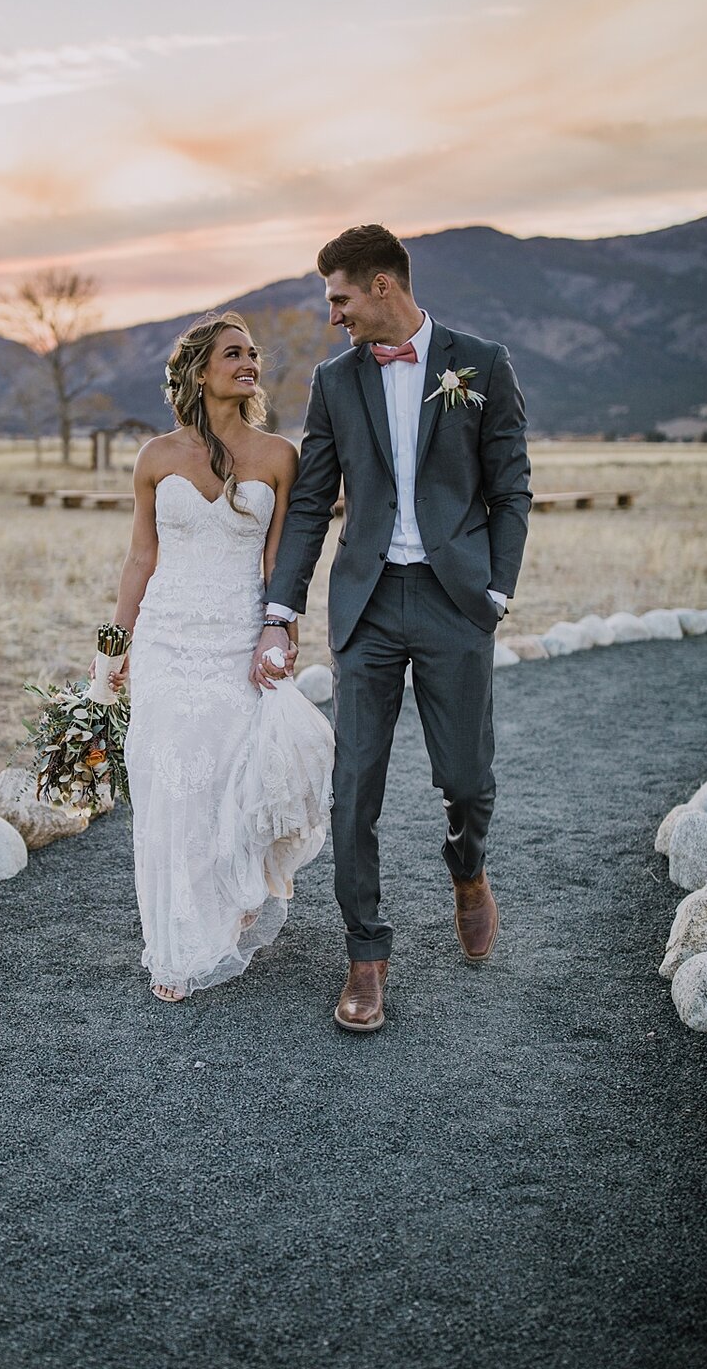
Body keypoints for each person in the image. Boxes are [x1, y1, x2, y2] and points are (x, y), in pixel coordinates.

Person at [251, 224, 532, 1034]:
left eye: (339, 297)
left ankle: (468, 869)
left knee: (468, 776)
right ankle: (365, 957)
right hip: (367, 604)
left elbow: (511, 488)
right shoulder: (335, 381)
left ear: (382, 286)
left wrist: (497, 591)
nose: (332, 314)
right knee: (355, 790)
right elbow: (310, 504)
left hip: (456, 601)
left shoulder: (482, 361)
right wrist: (281, 610)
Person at [106, 311, 334, 1003]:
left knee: (233, 778)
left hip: (237, 635)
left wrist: (282, 632)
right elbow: (141, 557)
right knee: (167, 785)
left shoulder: (277, 456)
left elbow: (279, 561)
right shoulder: (154, 457)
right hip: (168, 639)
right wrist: (114, 646)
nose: (249, 362)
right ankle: (176, 942)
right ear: (200, 370)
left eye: (253, 354)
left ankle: (234, 895)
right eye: (234, 353)